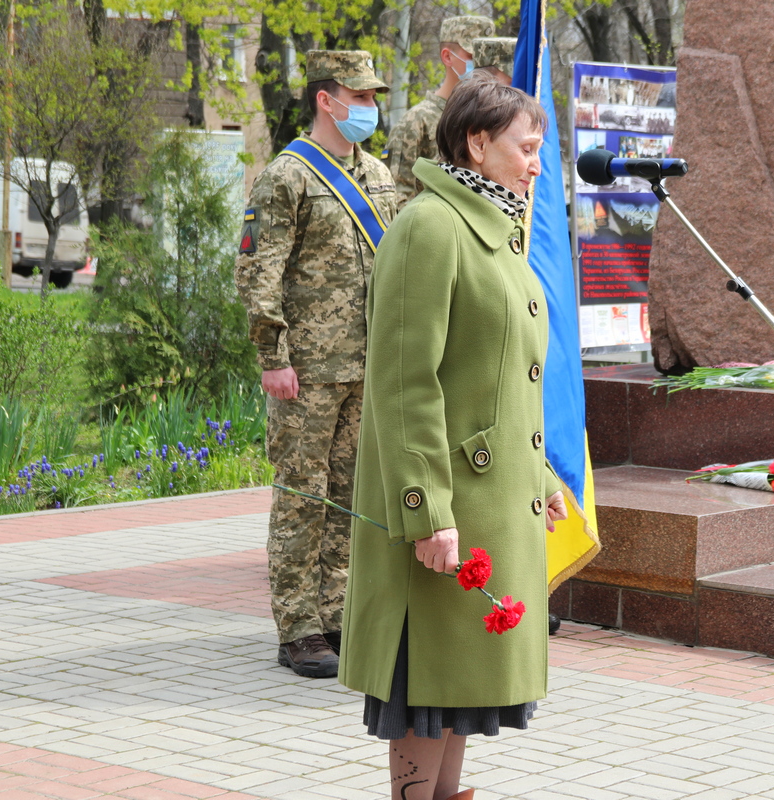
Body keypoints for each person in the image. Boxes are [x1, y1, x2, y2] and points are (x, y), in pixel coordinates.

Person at [340, 72, 568, 800]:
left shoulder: (497, 230)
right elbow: (408, 384)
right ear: (477, 142)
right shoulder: (432, 226)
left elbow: (502, 383)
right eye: (526, 148)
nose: (537, 163)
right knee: (427, 683)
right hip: (446, 508)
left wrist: (539, 480)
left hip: (492, 502)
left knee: (462, 685)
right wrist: (425, 508)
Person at [234, 50, 397, 679]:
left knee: (350, 496)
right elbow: (258, 271)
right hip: (305, 369)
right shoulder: (287, 176)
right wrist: (272, 356)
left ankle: (336, 613)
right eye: (358, 98)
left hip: (365, 364)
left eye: (373, 97)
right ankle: (297, 626)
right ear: (326, 100)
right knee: (303, 496)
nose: (369, 109)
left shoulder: (379, 173)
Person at [387, 15, 495, 206]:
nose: (480, 64)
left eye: (485, 57)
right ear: (447, 57)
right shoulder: (416, 123)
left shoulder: (495, 119)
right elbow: (396, 200)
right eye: (472, 56)